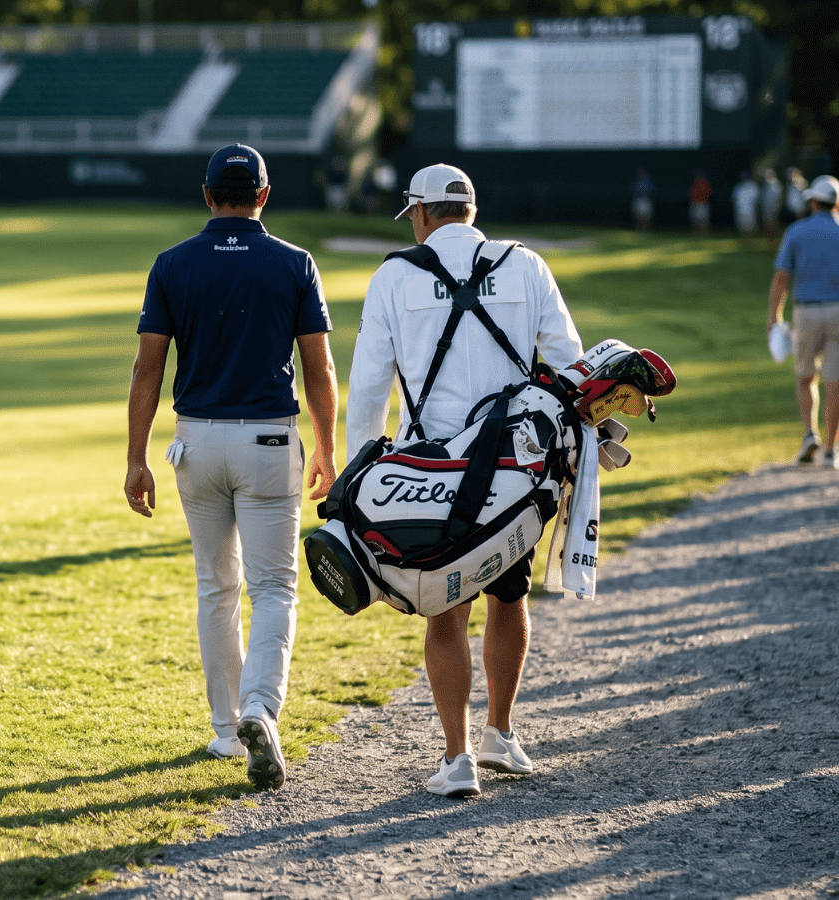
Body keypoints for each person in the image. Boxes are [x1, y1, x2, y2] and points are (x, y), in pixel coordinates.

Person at [346, 163, 583, 798]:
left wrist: (356, 475)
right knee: (511, 595)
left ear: (422, 215)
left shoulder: (394, 275)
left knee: (446, 608)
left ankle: (457, 758)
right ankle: (501, 734)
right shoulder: (527, 265)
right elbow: (568, 364)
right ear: (470, 211)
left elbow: (369, 387)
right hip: (515, 467)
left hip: (432, 473)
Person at [125, 144, 339, 791]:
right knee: (273, 589)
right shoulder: (295, 263)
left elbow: (147, 369)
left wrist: (136, 458)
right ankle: (259, 710)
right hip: (271, 444)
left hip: (196, 443)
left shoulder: (172, 264)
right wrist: (327, 449)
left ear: (207, 194)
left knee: (216, 588)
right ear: (264, 196)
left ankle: (226, 732)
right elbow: (319, 368)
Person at [767, 174, 839, 468]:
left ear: (812, 201)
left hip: (807, 312)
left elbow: (782, 277)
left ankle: (810, 434)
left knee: (805, 376)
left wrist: (774, 315)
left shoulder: (797, 231)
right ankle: (832, 450)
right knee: (835, 383)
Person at [732, 172, 759, 246]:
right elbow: (735, 199)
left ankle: (751, 241)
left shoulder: (752, 186)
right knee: (742, 227)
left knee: (750, 227)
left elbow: (756, 199)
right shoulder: (738, 187)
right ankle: (745, 241)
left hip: (750, 211)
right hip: (740, 211)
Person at [760, 168, 783, 241]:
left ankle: (773, 237)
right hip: (767, 207)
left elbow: (778, 197)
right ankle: (770, 237)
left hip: (773, 207)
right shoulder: (766, 184)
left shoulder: (776, 184)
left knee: (772, 222)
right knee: (768, 222)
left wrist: (776, 206)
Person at [689, 170, 713, 237]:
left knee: (704, 222)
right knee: (695, 221)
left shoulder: (705, 184)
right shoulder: (694, 184)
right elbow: (691, 194)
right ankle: (696, 236)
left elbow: (708, 194)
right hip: (695, 204)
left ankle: (705, 235)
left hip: (703, 204)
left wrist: (703, 202)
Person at [631, 167, 654, 232]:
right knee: (638, 215)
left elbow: (651, 190)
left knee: (647, 215)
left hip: (646, 199)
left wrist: (643, 192)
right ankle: (639, 229)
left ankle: (646, 229)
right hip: (638, 199)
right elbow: (633, 189)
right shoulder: (636, 180)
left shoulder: (648, 181)